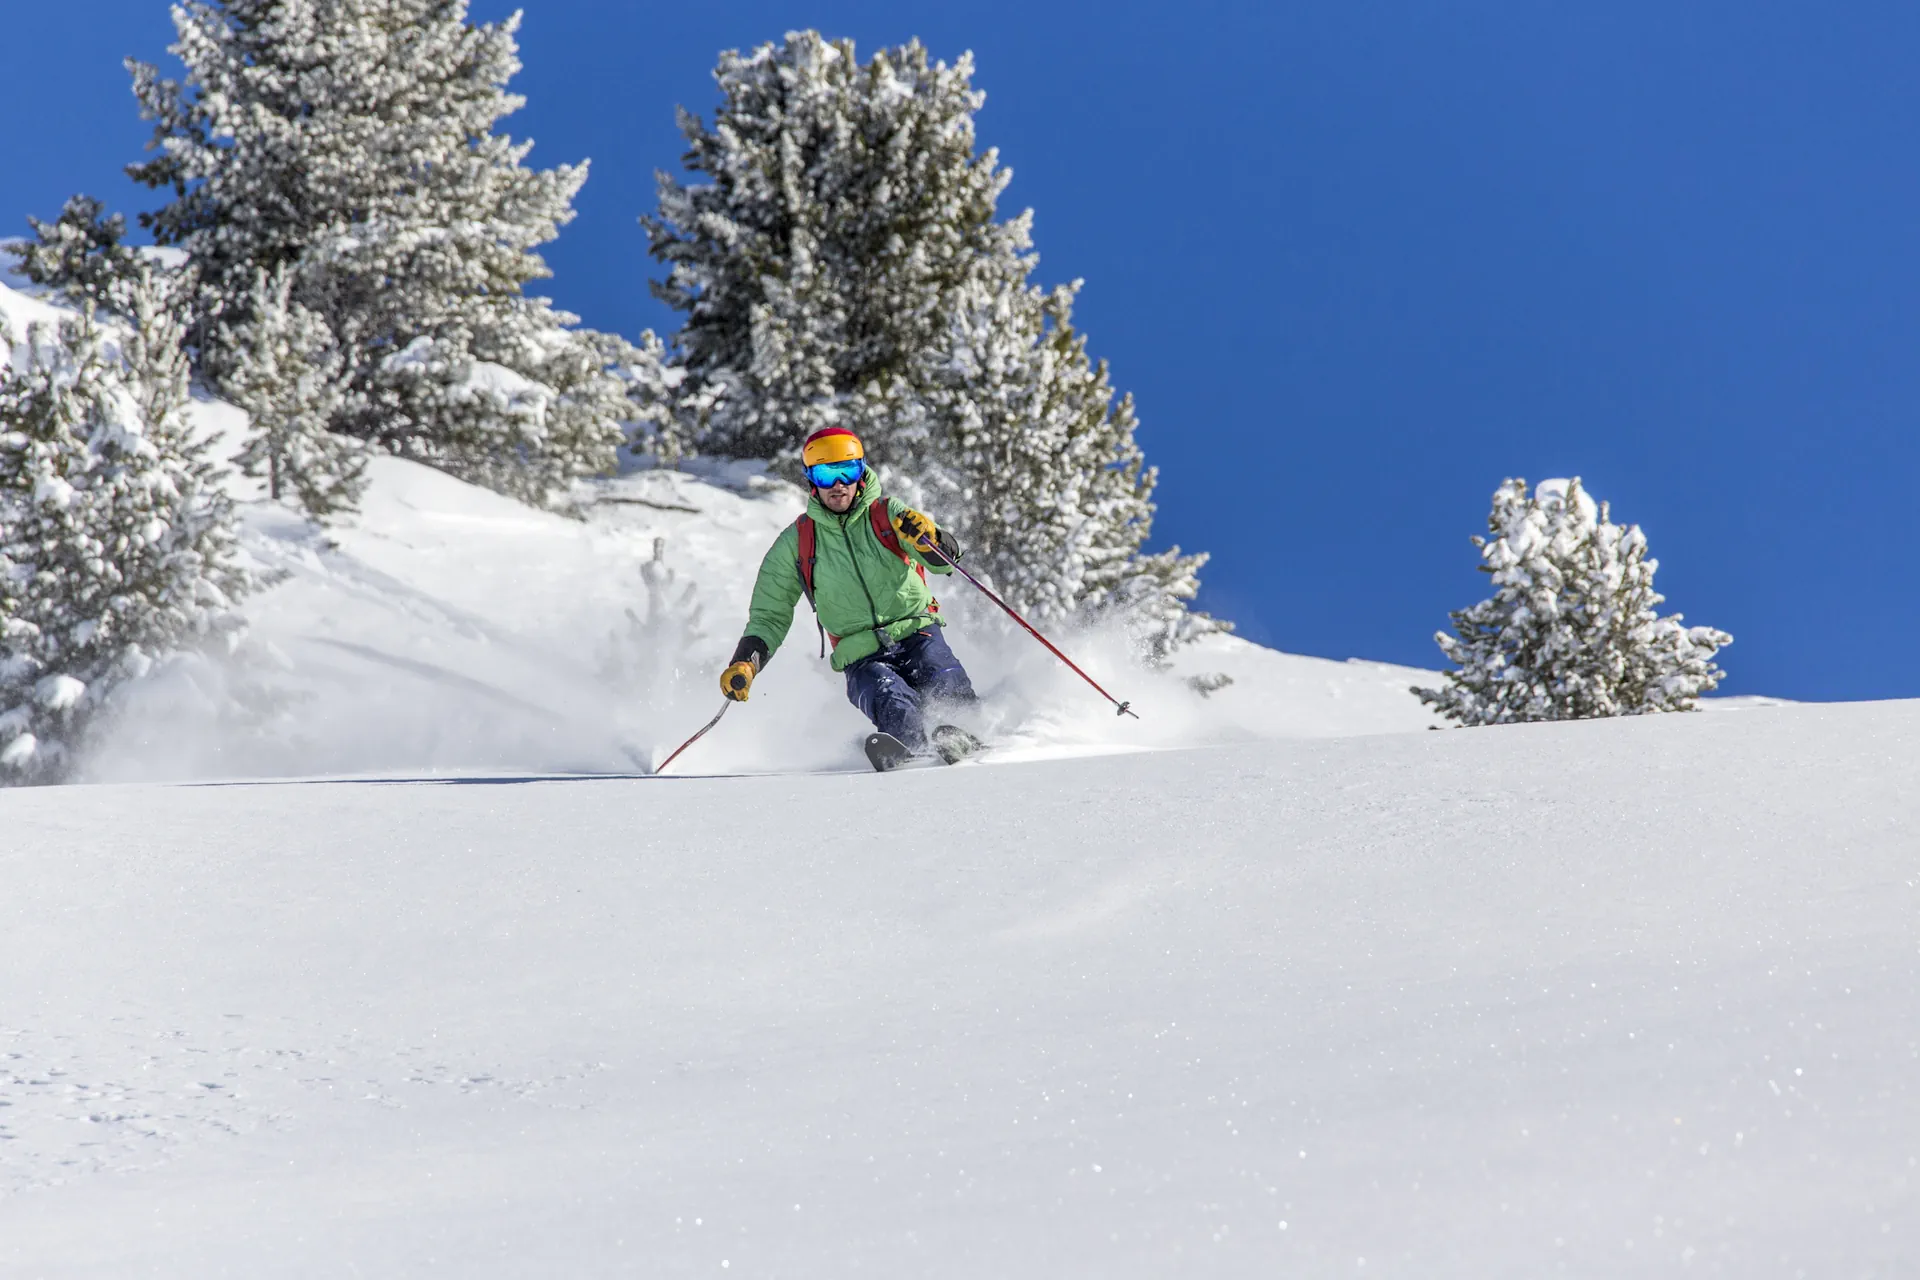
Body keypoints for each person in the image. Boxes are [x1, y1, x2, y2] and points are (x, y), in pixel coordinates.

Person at [719, 426, 979, 761]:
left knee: (943, 677)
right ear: (812, 480)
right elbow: (770, 613)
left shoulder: (888, 515)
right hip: (860, 655)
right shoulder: (798, 542)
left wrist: (928, 537)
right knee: (888, 697)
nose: (838, 484)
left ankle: (969, 736)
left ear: (861, 472)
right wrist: (745, 664)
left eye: (848, 471)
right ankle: (914, 754)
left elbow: (945, 562)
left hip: (918, 631)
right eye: (827, 474)